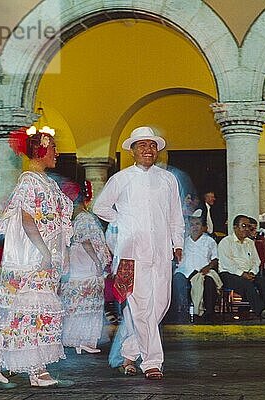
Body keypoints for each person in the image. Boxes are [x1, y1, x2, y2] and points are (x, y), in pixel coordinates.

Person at [0, 128, 73, 387]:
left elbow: (59, 226)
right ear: (40, 151)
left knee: (35, 313)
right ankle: (33, 369)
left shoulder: (48, 183)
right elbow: (27, 220)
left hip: (47, 258)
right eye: (52, 147)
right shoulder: (29, 181)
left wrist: (60, 253)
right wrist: (43, 251)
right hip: (32, 258)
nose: (57, 152)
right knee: (32, 312)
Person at [93, 126, 184, 380]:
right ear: (132, 150)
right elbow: (100, 207)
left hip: (162, 251)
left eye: (152, 145)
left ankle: (129, 351)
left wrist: (178, 243)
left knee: (160, 306)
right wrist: (124, 221)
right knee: (142, 307)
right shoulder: (121, 178)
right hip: (132, 252)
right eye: (142, 145)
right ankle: (152, 361)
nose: (148, 149)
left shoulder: (167, 180)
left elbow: (176, 215)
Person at [60, 180, 111, 354]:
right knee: (88, 305)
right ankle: (85, 341)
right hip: (86, 265)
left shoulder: (74, 220)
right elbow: (87, 241)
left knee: (79, 305)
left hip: (78, 265)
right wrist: (98, 262)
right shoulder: (85, 218)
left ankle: (79, 340)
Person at [217, 215, 265, 320]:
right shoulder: (226, 242)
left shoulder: (250, 243)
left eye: (248, 226)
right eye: (243, 226)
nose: (246, 229)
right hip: (229, 274)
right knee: (247, 284)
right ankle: (261, 312)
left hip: (248, 273)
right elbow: (227, 263)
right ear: (235, 227)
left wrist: (252, 272)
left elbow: (256, 261)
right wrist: (242, 274)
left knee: (264, 281)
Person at [172, 209, 220, 323]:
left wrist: (208, 267)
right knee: (177, 279)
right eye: (192, 225)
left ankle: (208, 313)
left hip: (202, 272)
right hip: (185, 272)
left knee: (209, 281)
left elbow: (215, 259)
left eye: (197, 224)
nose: (194, 227)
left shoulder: (210, 241)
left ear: (203, 227)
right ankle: (179, 312)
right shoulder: (183, 242)